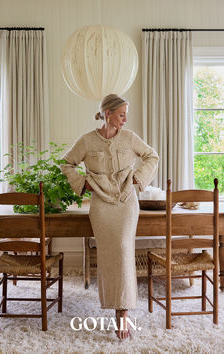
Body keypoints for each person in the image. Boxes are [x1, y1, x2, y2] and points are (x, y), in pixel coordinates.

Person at [60, 94, 159, 340]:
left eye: (126, 114)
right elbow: (67, 164)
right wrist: (84, 183)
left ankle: (123, 314)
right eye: (122, 114)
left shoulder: (129, 138)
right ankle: (115, 306)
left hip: (126, 203)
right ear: (108, 113)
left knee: (124, 248)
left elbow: (151, 156)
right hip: (101, 207)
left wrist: (138, 178)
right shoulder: (86, 141)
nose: (126, 119)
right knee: (109, 253)